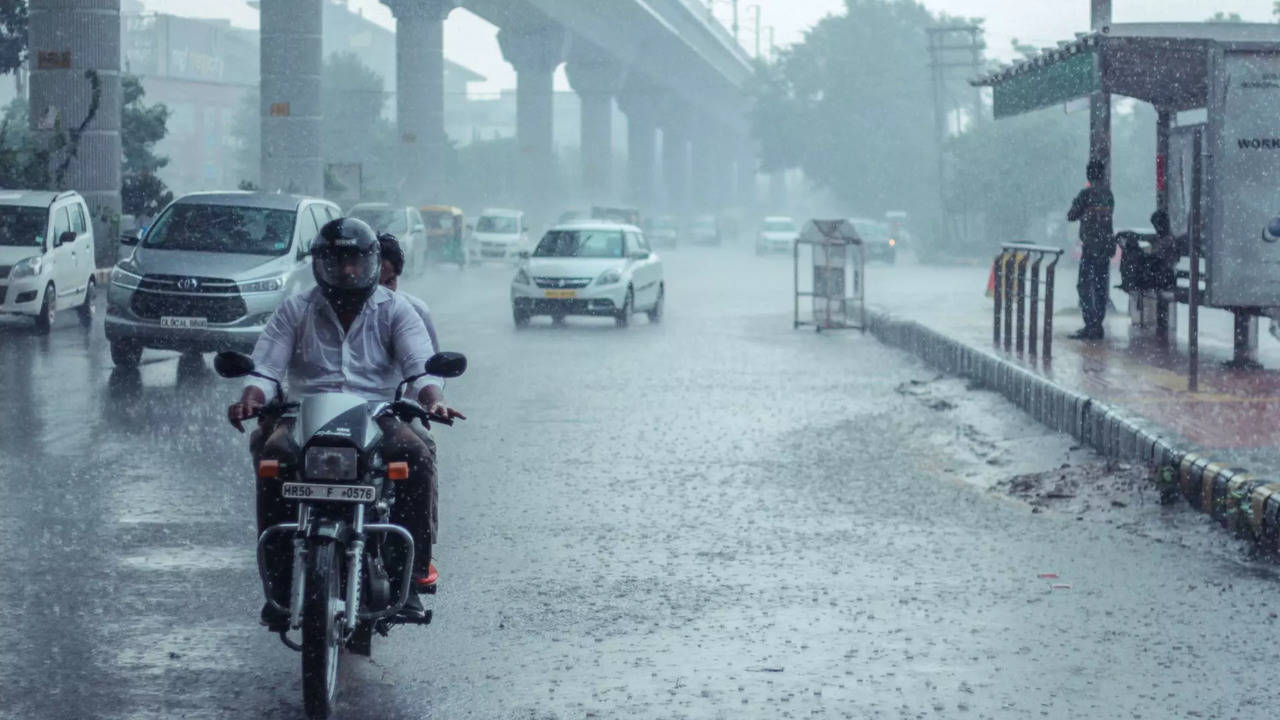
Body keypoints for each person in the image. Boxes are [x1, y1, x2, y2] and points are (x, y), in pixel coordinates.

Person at [226, 217, 461, 630]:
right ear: (320, 264)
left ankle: (410, 574)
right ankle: (278, 579)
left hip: (378, 415)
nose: (347, 271)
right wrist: (251, 397)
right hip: (305, 414)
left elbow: (420, 370)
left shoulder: (397, 311)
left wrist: (434, 399)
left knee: (417, 455)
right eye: (337, 261)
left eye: (354, 261)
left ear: (371, 263)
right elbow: (265, 369)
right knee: (272, 457)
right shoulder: (295, 310)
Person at [1067, 160, 1116, 340]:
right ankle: (1098, 324)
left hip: (1090, 249)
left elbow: (1071, 215)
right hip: (1105, 248)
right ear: (1102, 175)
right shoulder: (1108, 195)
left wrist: (1078, 206)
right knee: (1101, 286)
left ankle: (1090, 325)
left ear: (1088, 175)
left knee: (1085, 286)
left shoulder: (1086, 194)